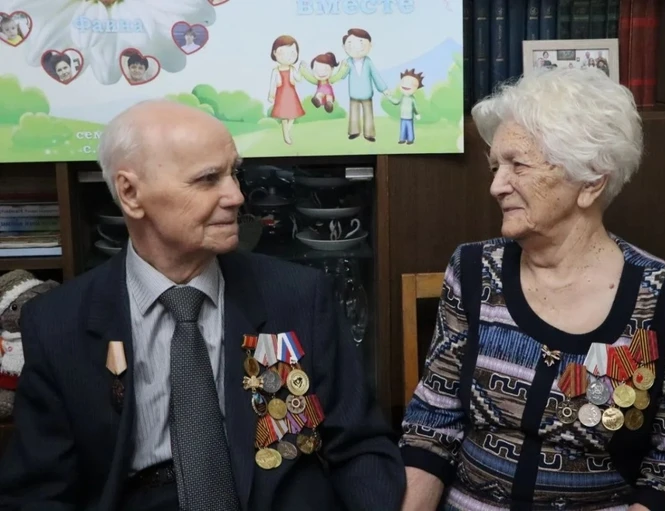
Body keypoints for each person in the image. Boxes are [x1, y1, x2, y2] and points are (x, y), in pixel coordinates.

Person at [0, 100, 405, 511]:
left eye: (233, 173)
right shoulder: (58, 324)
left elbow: (359, 446)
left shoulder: (297, 296)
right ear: (131, 193)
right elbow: (37, 492)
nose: (236, 196)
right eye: (208, 179)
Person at [400, 68, 665, 511]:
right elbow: (432, 426)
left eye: (518, 166)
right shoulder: (473, 272)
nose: (496, 186)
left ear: (591, 181)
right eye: (496, 167)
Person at [336, 28, 389, 142]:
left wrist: (383, 89)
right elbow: (343, 76)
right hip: (354, 93)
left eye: (361, 42)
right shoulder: (348, 62)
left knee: (368, 114)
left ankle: (369, 134)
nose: (356, 47)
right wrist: (342, 68)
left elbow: (375, 75)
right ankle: (354, 131)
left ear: (370, 45)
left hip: (367, 93)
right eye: (350, 43)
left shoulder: (368, 62)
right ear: (344, 47)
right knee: (354, 114)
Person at [268, 35, 305, 145]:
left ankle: (287, 132)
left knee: (293, 115)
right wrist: (271, 95)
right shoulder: (276, 71)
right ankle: (286, 136)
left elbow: (298, 79)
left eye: (292, 53)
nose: (288, 57)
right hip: (281, 94)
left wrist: (301, 70)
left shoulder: (292, 69)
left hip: (291, 94)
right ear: (274, 53)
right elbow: (272, 84)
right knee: (283, 116)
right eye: (282, 53)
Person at [387, 69, 424, 145]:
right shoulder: (402, 97)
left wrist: (417, 114)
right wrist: (390, 98)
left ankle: (410, 139)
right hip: (403, 116)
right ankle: (402, 139)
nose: (406, 85)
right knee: (403, 128)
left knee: (409, 128)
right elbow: (396, 102)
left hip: (409, 117)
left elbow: (415, 107)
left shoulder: (412, 99)